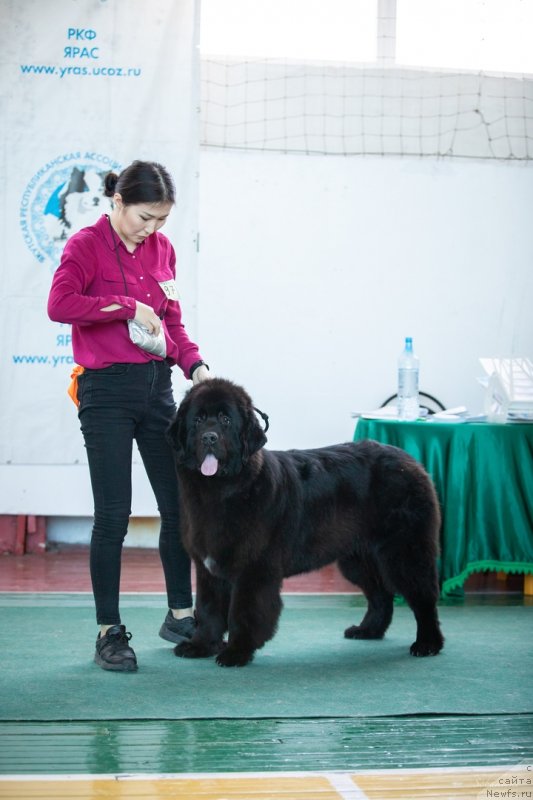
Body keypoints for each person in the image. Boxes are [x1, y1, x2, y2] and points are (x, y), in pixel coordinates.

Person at [47, 160, 210, 672]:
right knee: (113, 517)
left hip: (158, 390)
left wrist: (195, 365)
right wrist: (123, 306)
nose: (152, 229)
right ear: (117, 202)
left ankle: (181, 614)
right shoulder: (85, 246)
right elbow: (60, 303)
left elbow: (173, 322)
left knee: (180, 509)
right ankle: (109, 632)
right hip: (107, 394)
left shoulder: (163, 251)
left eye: (161, 220)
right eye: (145, 217)